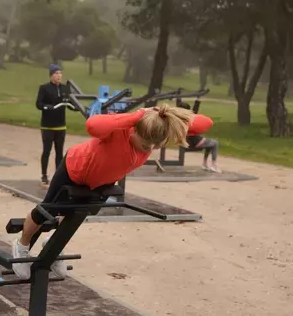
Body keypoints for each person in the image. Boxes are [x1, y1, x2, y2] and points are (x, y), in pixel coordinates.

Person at [11, 104, 199, 279]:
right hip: (74, 168)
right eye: (145, 145)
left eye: (155, 146)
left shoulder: (154, 133)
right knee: (47, 210)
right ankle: (22, 245)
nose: (149, 149)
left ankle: (53, 246)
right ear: (134, 129)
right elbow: (92, 124)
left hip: (99, 183)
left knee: (74, 215)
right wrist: (136, 116)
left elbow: (205, 123)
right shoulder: (118, 131)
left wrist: (166, 115)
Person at [36, 64, 72, 185]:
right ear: (51, 75)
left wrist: (77, 107)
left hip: (61, 125)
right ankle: (44, 175)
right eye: (56, 73)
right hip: (47, 126)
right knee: (47, 151)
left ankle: (58, 176)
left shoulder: (65, 88)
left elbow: (70, 103)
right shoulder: (44, 88)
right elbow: (39, 104)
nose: (59, 76)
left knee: (60, 152)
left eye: (60, 73)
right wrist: (48, 107)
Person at [178, 102, 221, 173]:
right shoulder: (187, 118)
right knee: (215, 143)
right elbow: (195, 115)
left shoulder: (179, 118)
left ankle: (204, 164)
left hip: (188, 141)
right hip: (194, 141)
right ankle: (214, 165)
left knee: (210, 145)